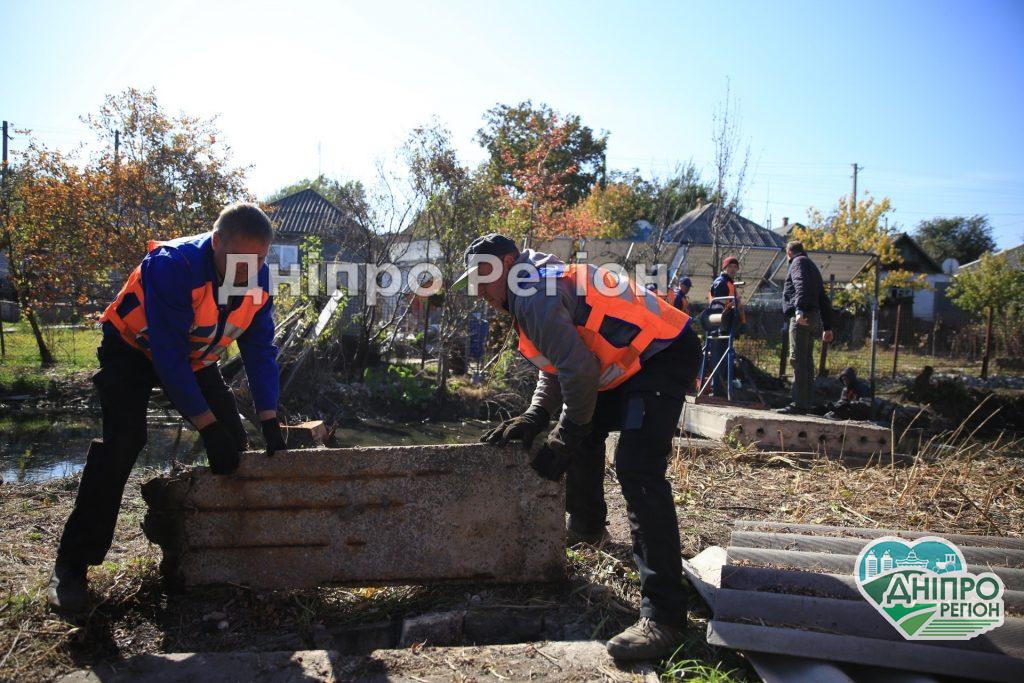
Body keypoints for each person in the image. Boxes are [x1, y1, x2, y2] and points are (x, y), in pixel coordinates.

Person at [455, 234, 701, 661]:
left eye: (483, 276)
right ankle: (587, 525)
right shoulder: (533, 284)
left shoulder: (531, 292)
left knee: (636, 467)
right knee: (584, 428)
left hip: (662, 355)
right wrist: (536, 416)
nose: (478, 290)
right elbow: (559, 365)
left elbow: (578, 373)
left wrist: (564, 434)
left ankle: (664, 616)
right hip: (632, 363)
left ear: (508, 263)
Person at [46, 203, 288, 613]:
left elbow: (261, 350)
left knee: (235, 443)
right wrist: (205, 425)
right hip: (132, 349)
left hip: (194, 358)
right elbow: (167, 358)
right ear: (216, 243)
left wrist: (269, 417)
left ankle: (220, 550)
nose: (248, 269)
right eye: (239, 259)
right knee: (124, 441)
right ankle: (71, 565)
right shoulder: (172, 265)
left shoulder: (260, 280)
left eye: (259, 260)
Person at [778, 241, 834, 414]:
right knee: (807, 361)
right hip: (814, 316)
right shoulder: (812, 267)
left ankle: (799, 404)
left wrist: (799, 309)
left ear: (789, 253)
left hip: (802, 317)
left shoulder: (797, 263)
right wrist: (828, 325)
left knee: (798, 359)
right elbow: (823, 298)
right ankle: (806, 402)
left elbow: (800, 284)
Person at [703, 256, 743, 396]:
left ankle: (719, 389)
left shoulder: (730, 284)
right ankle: (717, 390)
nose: (733, 269)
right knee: (718, 358)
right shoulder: (722, 283)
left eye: (735, 267)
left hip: (725, 325)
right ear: (724, 268)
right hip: (720, 326)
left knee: (723, 359)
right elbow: (717, 306)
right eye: (730, 266)